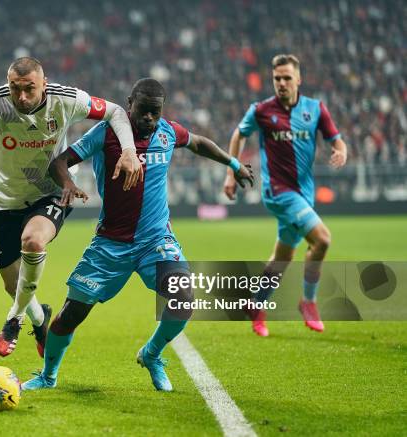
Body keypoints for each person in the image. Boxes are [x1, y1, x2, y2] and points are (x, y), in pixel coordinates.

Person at [21, 78, 254, 392]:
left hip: (155, 241)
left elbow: (197, 142)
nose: (149, 119)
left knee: (183, 299)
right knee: (69, 316)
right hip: (110, 244)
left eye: (155, 113)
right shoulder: (105, 133)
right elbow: (60, 162)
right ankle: (48, 376)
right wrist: (67, 184)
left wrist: (234, 163)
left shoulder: (168, 131)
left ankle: (152, 354)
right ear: (129, 104)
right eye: (143, 111)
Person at [0, 57, 143, 357]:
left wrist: (129, 150)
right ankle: (39, 320)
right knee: (15, 287)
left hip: (50, 191)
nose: (21, 97)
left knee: (34, 241)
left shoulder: (67, 100)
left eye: (29, 89)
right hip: (1, 200)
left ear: (44, 85)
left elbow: (115, 111)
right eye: (15, 88)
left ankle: (14, 320)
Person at [223, 54, 348, 337]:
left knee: (283, 257)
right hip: (278, 192)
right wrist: (231, 171)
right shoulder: (262, 110)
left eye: (287, 78)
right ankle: (309, 302)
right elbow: (239, 134)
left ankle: (255, 305)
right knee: (323, 239)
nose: (281, 83)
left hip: (304, 193)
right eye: (277, 78)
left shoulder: (315, 109)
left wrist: (341, 150)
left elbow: (336, 139)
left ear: (298, 79)